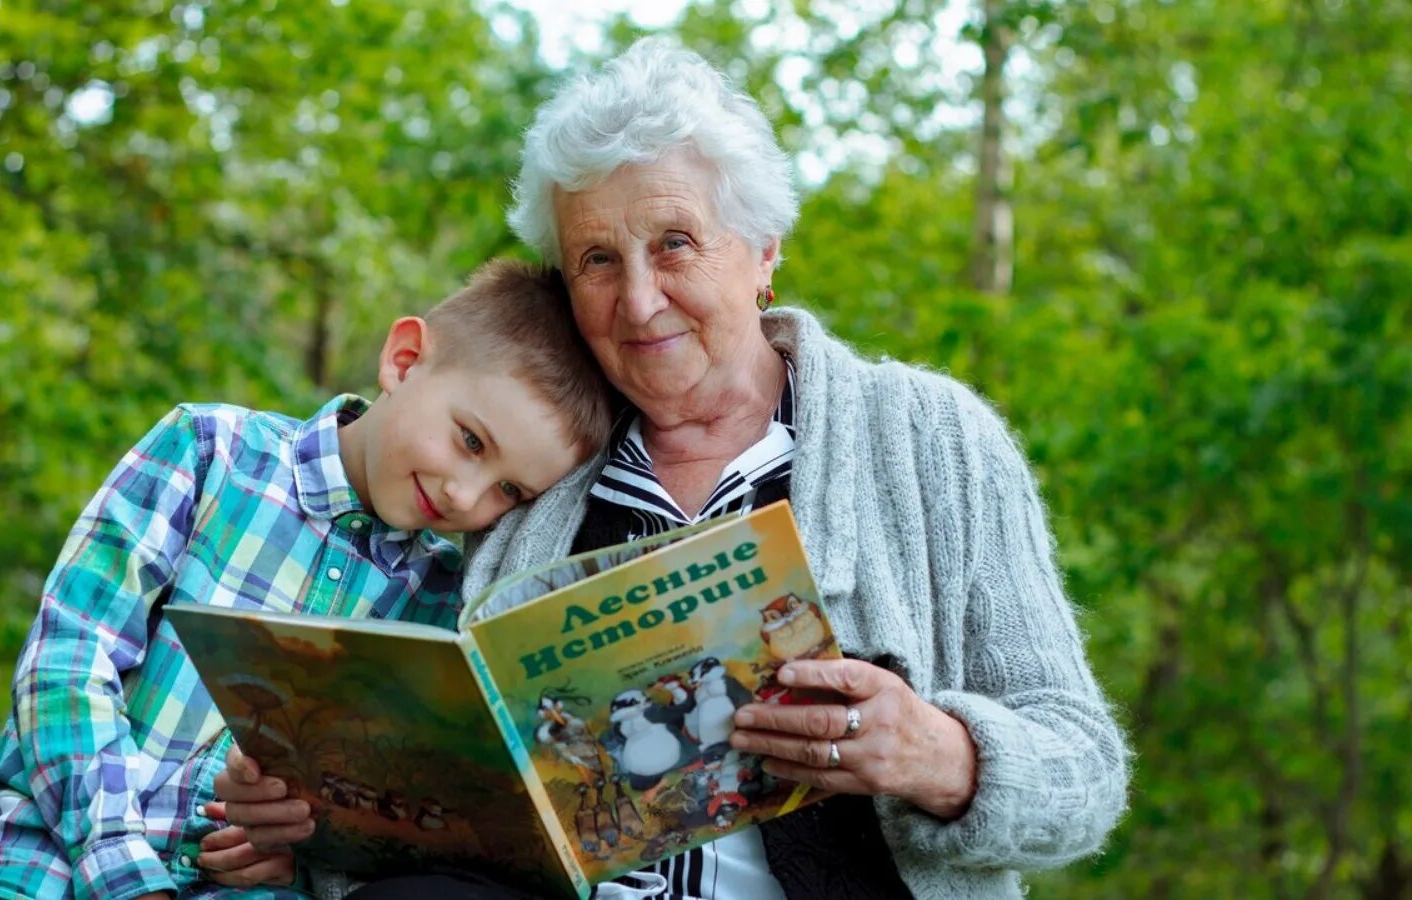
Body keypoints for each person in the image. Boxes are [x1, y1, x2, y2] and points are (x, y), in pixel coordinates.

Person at [219, 38, 1131, 900]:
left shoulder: (932, 439)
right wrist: (307, 821)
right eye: (597, 260)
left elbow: (1085, 769)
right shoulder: (527, 473)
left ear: (765, 252)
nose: (641, 298)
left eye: (677, 244)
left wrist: (944, 755)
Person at [0, 260, 613, 900]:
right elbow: (68, 662)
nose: (467, 497)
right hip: (39, 854)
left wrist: (300, 853)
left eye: (510, 491)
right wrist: (121, 863)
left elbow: (375, 810)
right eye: (470, 440)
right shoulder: (209, 454)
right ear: (404, 361)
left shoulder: (438, 609)